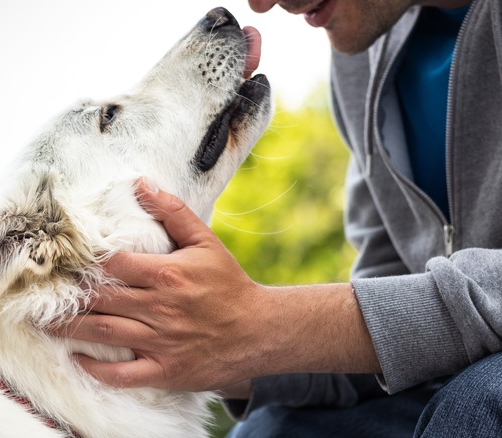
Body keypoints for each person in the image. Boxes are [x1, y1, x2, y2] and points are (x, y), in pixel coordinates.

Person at [57, 0, 502, 436]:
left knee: (477, 401)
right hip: (440, 386)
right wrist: (212, 351)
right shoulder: (361, 60)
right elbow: (390, 333)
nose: (262, 4)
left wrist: (263, 322)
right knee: (269, 428)